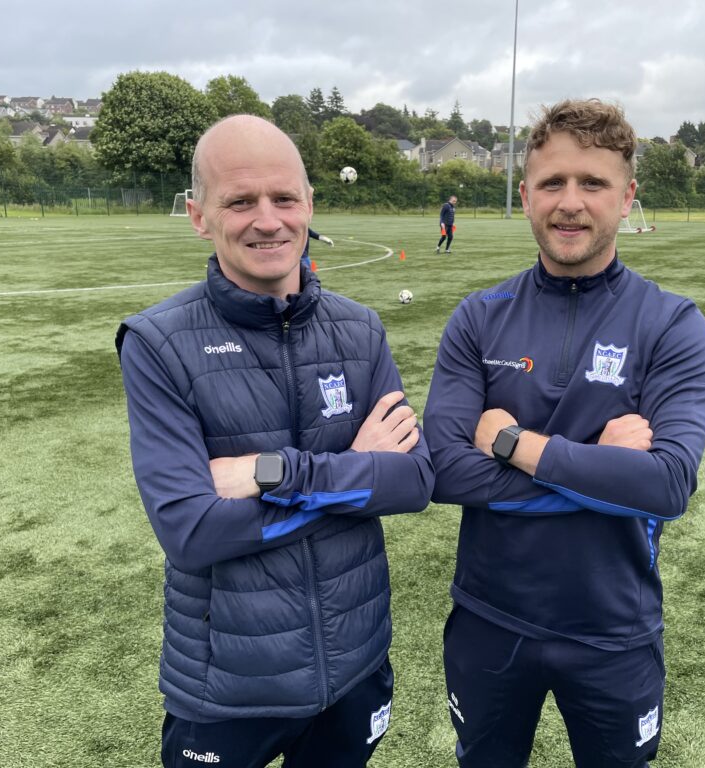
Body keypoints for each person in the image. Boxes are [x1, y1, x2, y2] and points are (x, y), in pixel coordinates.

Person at [115, 115, 434, 768]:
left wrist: (275, 473)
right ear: (198, 215)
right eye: (240, 201)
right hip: (228, 691)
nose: (268, 220)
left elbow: (415, 482)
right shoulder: (157, 344)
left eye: (284, 198)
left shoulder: (362, 330)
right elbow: (193, 531)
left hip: (355, 666)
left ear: (309, 205)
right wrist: (355, 473)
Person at [423, 98, 705, 768]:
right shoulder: (478, 318)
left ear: (627, 196)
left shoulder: (671, 323)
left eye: (593, 183)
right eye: (552, 182)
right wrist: (599, 468)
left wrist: (510, 443)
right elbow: (441, 469)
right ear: (525, 193)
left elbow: (667, 484)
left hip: (614, 631)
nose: (570, 202)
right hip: (490, 622)